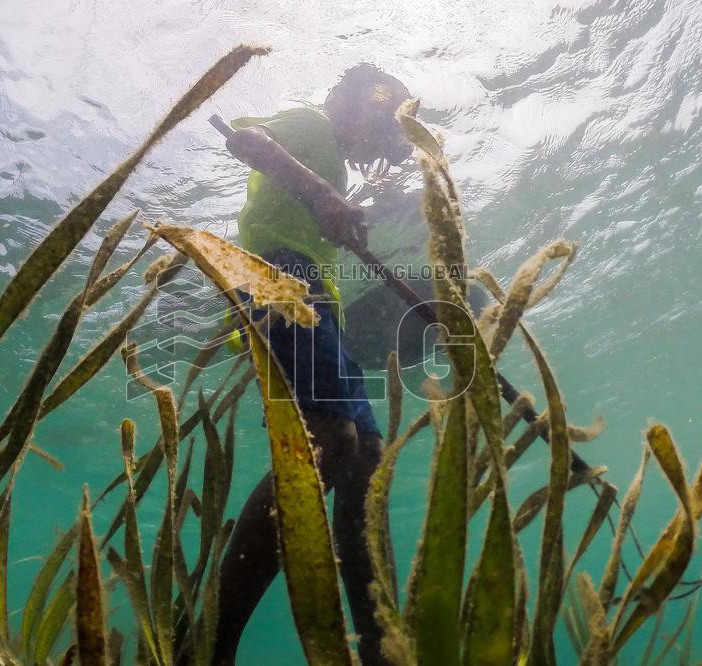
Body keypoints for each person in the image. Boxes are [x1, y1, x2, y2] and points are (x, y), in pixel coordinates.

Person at [213, 64, 413, 665]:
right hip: (276, 278)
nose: (381, 139)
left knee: (368, 461)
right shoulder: (309, 123)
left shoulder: (334, 162)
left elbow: (321, 204)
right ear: (343, 98)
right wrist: (325, 194)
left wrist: (353, 202)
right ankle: (213, 647)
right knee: (331, 439)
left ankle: (379, 648)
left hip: (317, 298)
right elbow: (245, 140)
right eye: (382, 114)